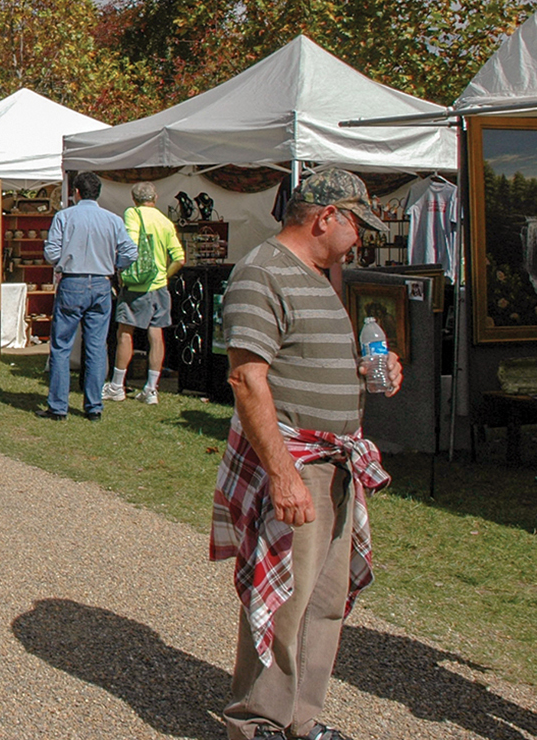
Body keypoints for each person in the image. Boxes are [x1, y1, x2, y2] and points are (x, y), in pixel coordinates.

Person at [212, 168, 401, 740]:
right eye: (357, 225)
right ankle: (258, 720)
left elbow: (309, 362)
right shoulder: (262, 273)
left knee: (324, 600)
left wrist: (375, 373)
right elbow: (247, 377)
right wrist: (283, 475)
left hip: (335, 465)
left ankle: (302, 718)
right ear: (327, 217)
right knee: (285, 600)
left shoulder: (321, 276)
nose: (361, 238)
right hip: (300, 464)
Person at [39, 172, 137, 421]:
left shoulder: (64, 216)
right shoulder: (112, 220)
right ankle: (93, 406)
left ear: (76, 192)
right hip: (101, 283)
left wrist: (63, 260)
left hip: (73, 280)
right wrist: (115, 264)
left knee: (61, 346)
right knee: (96, 346)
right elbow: (131, 252)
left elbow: (51, 252)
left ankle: (59, 406)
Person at [105, 181, 188, 405]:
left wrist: (122, 271)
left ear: (134, 199)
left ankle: (117, 385)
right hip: (159, 286)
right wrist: (164, 276)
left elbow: (130, 244)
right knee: (156, 334)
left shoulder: (132, 213)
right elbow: (179, 258)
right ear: (156, 197)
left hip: (136, 285)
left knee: (125, 332)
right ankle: (151, 388)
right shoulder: (165, 221)